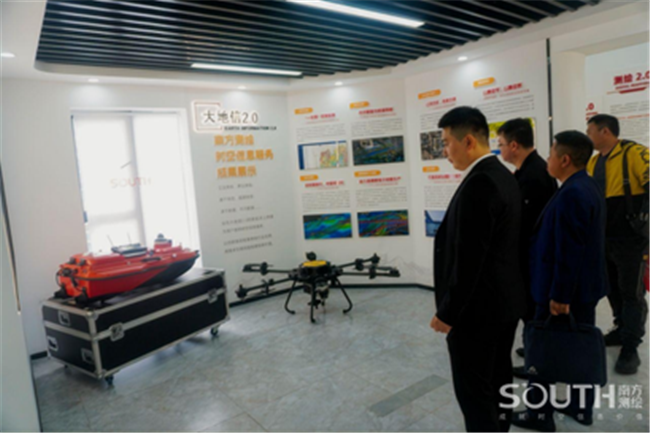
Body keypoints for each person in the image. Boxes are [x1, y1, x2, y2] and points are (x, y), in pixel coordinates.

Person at [430, 106, 526, 432]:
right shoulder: (502, 175)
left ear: (468, 141)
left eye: (447, 143)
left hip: (478, 312)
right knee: (498, 380)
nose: (445, 151)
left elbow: (471, 259)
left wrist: (448, 313)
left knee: (475, 393)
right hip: (503, 303)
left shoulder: (480, 183)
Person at [512, 131, 608, 432]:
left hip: (565, 291)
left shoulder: (573, 194)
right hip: (584, 288)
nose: (547, 160)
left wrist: (560, 296)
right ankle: (581, 407)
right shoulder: (586, 185)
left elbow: (569, 250)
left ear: (564, 159)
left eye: (551, 154)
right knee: (578, 348)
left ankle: (538, 414)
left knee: (544, 349)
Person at [586, 114, 649, 374]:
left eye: (590, 131)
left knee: (631, 292)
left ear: (605, 131)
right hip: (603, 238)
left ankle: (630, 346)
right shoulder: (593, 162)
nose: (587, 136)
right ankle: (620, 328)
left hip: (630, 239)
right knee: (611, 287)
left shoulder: (634, 153)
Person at [497, 119, 558, 378]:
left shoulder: (534, 175)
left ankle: (538, 362)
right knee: (530, 312)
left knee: (533, 311)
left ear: (514, 145)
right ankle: (534, 349)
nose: (499, 149)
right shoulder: (528, 171)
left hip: (533, 260)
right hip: (530, 259)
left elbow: (527, 225)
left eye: (500, 144)